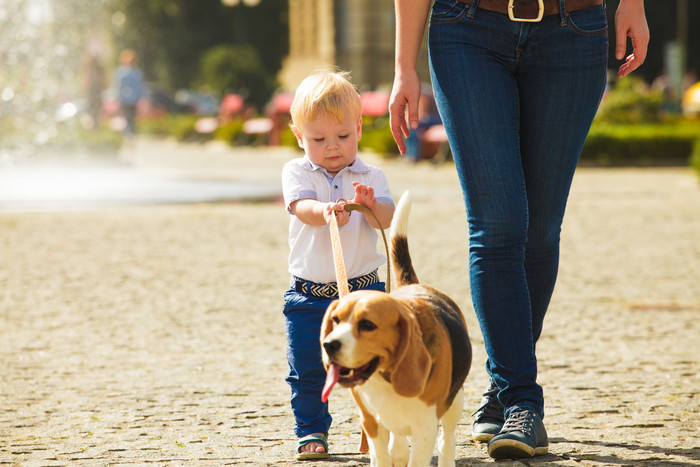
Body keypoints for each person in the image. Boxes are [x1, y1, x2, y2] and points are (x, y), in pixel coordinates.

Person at [389, 0, 648, 460]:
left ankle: (502, 385)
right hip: (466, 29)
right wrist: (403, 65)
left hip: (573, 30)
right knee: (498, 225)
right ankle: (523, 401)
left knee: (541, 230)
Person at [281, 71, 395, 460]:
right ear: (299, 136)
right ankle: (311, 429)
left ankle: (376, 427)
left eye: (343, 137)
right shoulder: (297, 172)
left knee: (376, 365)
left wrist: (371, 205)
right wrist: (326, 211)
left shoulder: (371, 175)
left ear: (359, 128)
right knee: (307, 368)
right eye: (318, 139)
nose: (332, 148)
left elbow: (386, 220)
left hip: (365, 293)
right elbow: (302, 208)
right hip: (310, 295)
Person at [113, 49, 145, 139]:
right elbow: (140, 88)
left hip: (124, 99)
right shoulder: (137, 73)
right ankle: (131, 134)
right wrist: (141, 98)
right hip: (134, 99)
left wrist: (117, 98)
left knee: (126, 117)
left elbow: (118, 86)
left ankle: (127, 135)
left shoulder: (121, 72)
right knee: (132, 118)